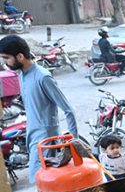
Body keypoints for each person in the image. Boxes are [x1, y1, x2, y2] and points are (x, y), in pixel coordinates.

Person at [0, 35, 78, 183]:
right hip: (32, 137)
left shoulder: (43, 77)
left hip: (46, 140)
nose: (5, 62)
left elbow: (68, 110)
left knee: (41, 181)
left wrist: (74, 142)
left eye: (6, 58)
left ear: (20, 56)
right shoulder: (21, 74)